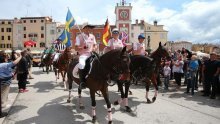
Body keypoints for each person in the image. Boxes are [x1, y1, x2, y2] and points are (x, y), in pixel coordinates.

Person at [75, 23, 97, 89]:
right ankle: (82, 82)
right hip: (83, 55)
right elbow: (76, 48)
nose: (88, 29)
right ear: (83, 29)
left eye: (89, 27)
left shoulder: (92, 36)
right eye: (86, 27)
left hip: (91, 54)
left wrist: (94, 48)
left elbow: (95, 45)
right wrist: (83, 47)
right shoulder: (79, 37)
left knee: (100, 62)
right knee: (81, 64)